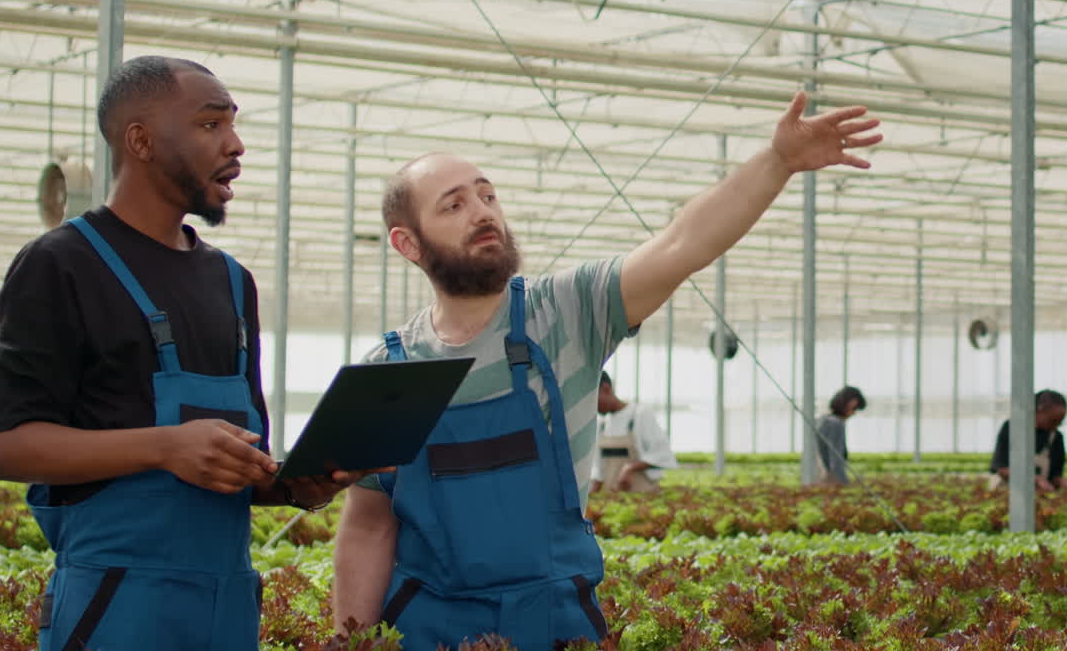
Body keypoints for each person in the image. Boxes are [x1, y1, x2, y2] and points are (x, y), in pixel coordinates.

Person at [332, 91, 882, 650]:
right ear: (407, 243)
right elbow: (369, 525)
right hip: (429, 627)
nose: (482, 213)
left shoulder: (566, 311)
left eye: (488, 195)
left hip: (551, 623)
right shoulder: (388, 370)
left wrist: (777, 160)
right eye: (453, 206)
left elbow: (680, 244)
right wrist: (350, 642)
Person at [0, 56, 364, 651]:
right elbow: (5, 447)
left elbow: (232, 463)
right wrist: (164, 447)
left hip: (225, 611)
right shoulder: (60, 264)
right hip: (114, 610)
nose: (235, 145)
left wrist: (292, 485)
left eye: (234, 126)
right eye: (211, 125)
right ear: (141, 141)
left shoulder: (232, 283)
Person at [589, 370, 677, 494]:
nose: (591, 406)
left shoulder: (639, 414)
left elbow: (662, 454)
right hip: (613, 498)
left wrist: (629, 468)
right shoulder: (602, 424)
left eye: (593, 399)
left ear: (606, 388)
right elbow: (598, 471)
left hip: (644, 497)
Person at [988, 388, 1067, 493]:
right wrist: (1036, 479)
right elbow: (1001, 468)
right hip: (1008, 492)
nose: (1056, 425)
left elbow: (1055, 476)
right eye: (1053, 420)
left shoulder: (1056, 437)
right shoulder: (1012, 428)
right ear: (1040, 410)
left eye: (1060, 422)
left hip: (1040, 495)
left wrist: (1064, 483)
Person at [814, 385, 865, 486]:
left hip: (817, 476)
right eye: (854, 409)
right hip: (828, 480)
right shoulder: (835, 424)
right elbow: (836, 459)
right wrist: (845, 484)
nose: (853, 413)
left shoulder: (823, 419)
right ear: (848, 405)